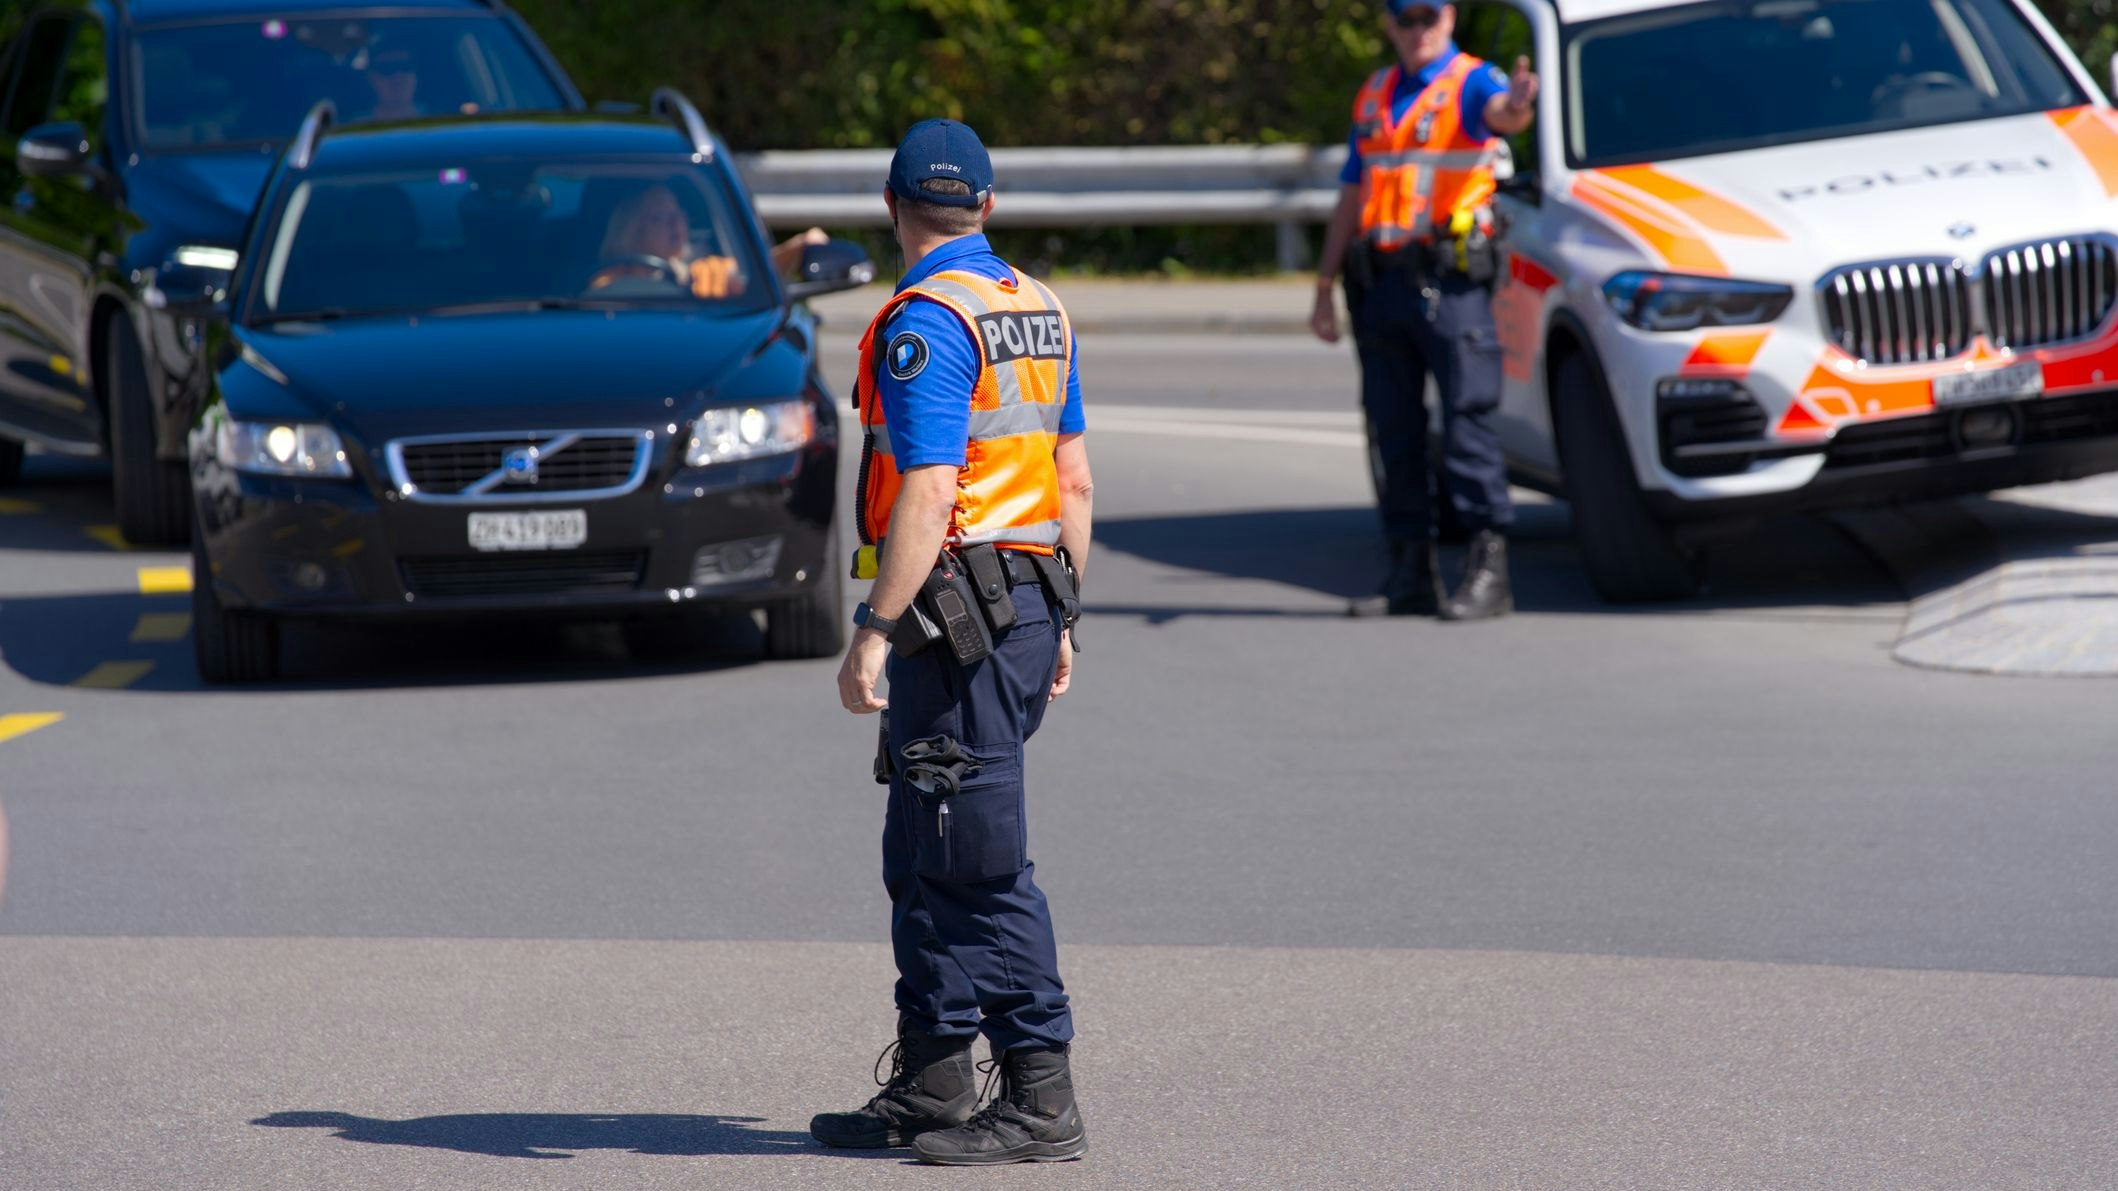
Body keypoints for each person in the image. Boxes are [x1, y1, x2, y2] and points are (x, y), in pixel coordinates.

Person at [815, 117, 1093, 1167]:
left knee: (975, 862)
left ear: (891, 207)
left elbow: (930, 492)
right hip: (1018, 608)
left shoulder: (926, 321)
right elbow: (1070, 482)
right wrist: (1065, 618)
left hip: (954, 619)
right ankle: (934, 1078)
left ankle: (1039, 1093)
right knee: (923, 847)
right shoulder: (1039, 308)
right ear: (990, 201)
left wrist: (872, 635)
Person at [1311, 0, 1538, 620]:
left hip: (1451, 282)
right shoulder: (1378, 91)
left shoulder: (1472, 81)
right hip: (1381, 282)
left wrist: (1519, 103)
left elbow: (1504, 115)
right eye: (1405, 19)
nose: (1418, 30)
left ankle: (1490, 572)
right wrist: (1325, 282)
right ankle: (1410, 573)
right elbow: (1354, 188)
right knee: (1395, 432)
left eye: (1428, 17)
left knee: (1467, 423)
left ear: (1450, 17)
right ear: (1388, 24)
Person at [590, 184, 830, 297]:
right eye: (659, 218)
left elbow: (759, 272)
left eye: (678, 214)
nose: (675, 224)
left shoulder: (703, 269)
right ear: (632, 231)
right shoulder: (608, 280)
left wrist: (800, 246)